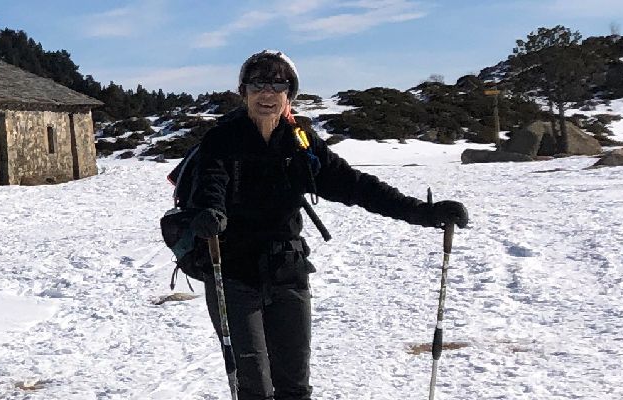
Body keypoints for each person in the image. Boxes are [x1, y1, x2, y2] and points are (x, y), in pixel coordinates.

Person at [182, 50, 470, 399]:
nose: (267, 93)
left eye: (278, 84)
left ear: (290, 93)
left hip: (287, 270)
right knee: (253, 386)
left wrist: (422, 212)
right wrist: (211, 212)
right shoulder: (223, 139)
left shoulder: (300, 141)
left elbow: (355, 185)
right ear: (244, 91)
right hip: (233, 274)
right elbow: (209, 184)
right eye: (258, 83)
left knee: (295, 385)